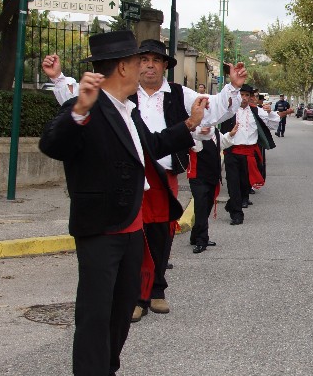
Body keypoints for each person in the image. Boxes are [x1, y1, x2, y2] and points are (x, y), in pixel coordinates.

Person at [38, 30, 207, 376]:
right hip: (100, 226)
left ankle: (107, 373)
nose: (145, 69)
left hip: (130, 223)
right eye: (138, 62)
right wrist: (78, 107)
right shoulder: (90, 107)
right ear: (122, 67)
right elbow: (53, 144)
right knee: (94, 314)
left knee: (120, 310)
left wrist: (190, 124)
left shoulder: (128, 108)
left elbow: (153, 147)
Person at [45, 40, 246, 323]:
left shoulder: (179, 94)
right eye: (145, 59)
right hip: (129, 174)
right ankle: (136, 295)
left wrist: (233, 88)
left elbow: (210, 110)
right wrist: (57, 78)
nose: (149, 64)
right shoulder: (121, 93)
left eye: (156, 60)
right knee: (132, 236)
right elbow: (81, 103)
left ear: (165, 65)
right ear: (134, 65)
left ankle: (156, 289)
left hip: (163, 174)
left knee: (161, 234)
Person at [220, 84, 281, 225]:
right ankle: (237, 214)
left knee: (245, 185)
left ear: (251, 97)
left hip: (248, 153)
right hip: (232, 151)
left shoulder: (256, 111)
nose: (244, 98)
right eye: (242, 95)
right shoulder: (228, 111)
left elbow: (273, 124)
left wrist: (271, 112)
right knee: (233, 184)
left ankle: (232, 204)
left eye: (247, 95)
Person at [187, 124, 223, 253]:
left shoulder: (216, 131)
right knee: (201, 207)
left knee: (206, 207)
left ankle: (195, 236)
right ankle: (202, 240)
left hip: (212, 174)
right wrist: (200, 133)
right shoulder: (193, 130)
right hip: (198, 175)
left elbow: (222, 144)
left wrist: (231, 134)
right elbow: (194, 147)